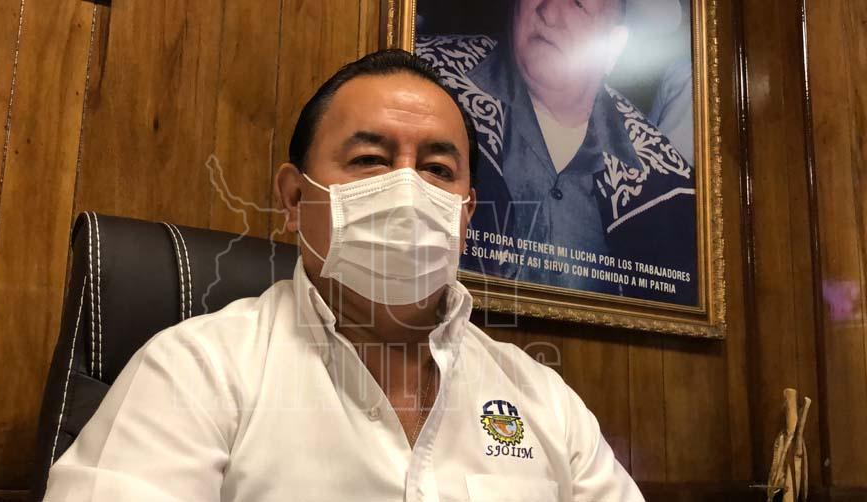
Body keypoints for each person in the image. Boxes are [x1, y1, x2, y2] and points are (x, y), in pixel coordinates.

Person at [43, 50, 644, 501]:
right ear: (294, 199)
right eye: (369, 160)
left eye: (438, 168)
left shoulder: (544, 400)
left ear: (466, 214)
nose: (407, 189)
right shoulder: (195, 372)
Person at [418, 0, 697, 305]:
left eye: (578, 3)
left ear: (614, 45)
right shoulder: (425, 79)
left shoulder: (664, 179)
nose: (549, 12)